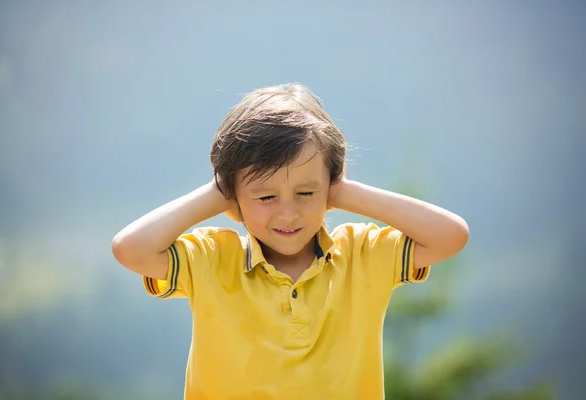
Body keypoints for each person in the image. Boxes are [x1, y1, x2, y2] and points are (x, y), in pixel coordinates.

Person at [111, 83, 469, 399]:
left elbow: (450, 236)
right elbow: (131, 248)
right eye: (266, 197)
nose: (288, 214)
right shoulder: (212, 260)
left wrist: (343, 191)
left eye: (306, 192)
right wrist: (222, 191)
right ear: (233, 196)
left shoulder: (363, 256)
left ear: (330, 184)